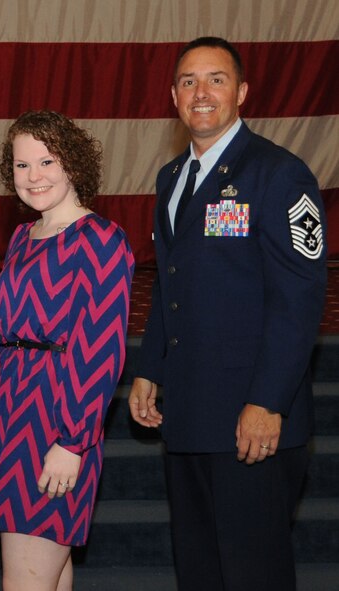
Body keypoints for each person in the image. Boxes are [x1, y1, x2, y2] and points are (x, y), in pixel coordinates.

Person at [128, 37, 327, 591]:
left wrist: (268, 401)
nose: (201, 92)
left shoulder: (278, 174)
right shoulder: (171, 178)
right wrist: (150, 367)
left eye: (216, 79)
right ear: (173, 96)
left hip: (251, 420)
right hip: (189, 414)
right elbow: (171, 284)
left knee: (252, 574)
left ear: (241, 92)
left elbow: (298, 298)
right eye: (188, 81)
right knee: (201, 572)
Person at [0, 110, 134, 590]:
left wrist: (73, 441)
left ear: (73, 164)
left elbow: (100, 352)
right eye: (22, 165)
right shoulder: (23, 237)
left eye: (46, 162)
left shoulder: (102, 240)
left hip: (55, 422)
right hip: (7, 416)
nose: (33, 176)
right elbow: (1, 337)